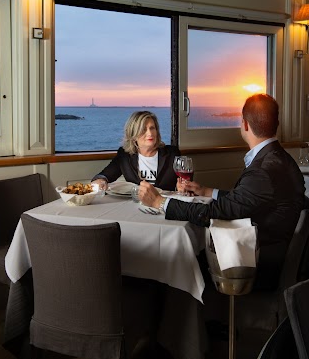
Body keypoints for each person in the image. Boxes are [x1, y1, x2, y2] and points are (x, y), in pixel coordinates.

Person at [139, 94, 307, 288]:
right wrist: (207, 191)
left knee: (181, 259)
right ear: (276, 123)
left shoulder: (263, 169)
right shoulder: (280, 159)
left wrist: (160, 202)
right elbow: (245, 200)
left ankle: (191, 315)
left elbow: (218, 212)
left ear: (244, 124)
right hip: (281, 254)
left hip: (262, 263)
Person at [91, 110, 181, 191]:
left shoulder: (172, 153)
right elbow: (105, 175)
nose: (150, 133)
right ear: (133, 134)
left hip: (164, 204)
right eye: (143, 129)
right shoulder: (125, 155)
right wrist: (101, 180)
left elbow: (184, 183)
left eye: (152, 128)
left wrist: (182, 187)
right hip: (135, 204)